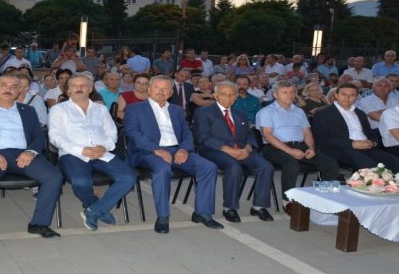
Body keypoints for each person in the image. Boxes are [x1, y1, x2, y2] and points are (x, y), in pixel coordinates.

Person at [0, 74, 63, 243]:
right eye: (3, 85)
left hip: (23, 154)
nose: (8, 89)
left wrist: (31, 151)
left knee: (54, 177)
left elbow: (39, 137)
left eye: (13, 86)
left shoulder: (28, 111)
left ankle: (39, 223)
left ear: (19, 91)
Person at [124, 75, 222, 234]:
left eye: (165, 89)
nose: (161, 92)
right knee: (163, 169)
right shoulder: (135, 108)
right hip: (148, 152)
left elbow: (186, 132)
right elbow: (132, 133)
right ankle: (163, 216)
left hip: (177, 150)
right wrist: (157, 149)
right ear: (149, 90)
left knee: (208, 167)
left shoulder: (176, 110)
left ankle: (202, 213)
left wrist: (184, 149)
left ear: (170, 93)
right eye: (157, 88)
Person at [49, 73, 136, 230]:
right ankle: (97, 207)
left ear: (90, 89)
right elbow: (55, 137)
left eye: (83, 85)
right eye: (74, 86)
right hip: (73, 154)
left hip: (101, 153)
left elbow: (111, 131)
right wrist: (81, 150)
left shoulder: (100, 109)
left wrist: (105, 146)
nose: (79, 88)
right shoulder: (58, 109)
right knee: (81, 182)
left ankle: (94, 211)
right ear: (68, 90)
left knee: (128, 177)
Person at [192, 81, 274, 223]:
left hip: (241, 150)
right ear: (215, 95)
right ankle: (230, 208)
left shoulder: (240, 114)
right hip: (214, 151)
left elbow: (249, 134)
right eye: (224, 94)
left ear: (236, 97)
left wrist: (248, 148)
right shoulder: (203, 112)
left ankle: (259, 206)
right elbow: (202, 138)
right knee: (234, 167)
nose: (228, 98)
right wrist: (228, 150)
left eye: (232, 95)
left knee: (266, 166)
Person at [256, 81, 339, 213]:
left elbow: (307, 133)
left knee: (331, 164)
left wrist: (311, 148)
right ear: (276, 95)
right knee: (292, 164)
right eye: (285, 92)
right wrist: (291, 151)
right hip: (275, 147)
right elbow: (268, 136)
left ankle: (323, 198)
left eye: (292, 92)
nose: (289, 95)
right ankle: (288, 201)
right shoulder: (266, 112)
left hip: (300, 146)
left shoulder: (299, 111)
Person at [312, 83, 399, 176]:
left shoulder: (360, 113)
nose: (347, 98)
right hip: (340, 149)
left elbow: (370, 133)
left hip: (366, 147)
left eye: (352, 95)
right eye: (343, 94)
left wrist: (373, 143)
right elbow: (321, 138)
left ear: (356, 97)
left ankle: (393, 190)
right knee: (371, 168)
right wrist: (352, 144)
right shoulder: (323, 113)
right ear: (336, 95)